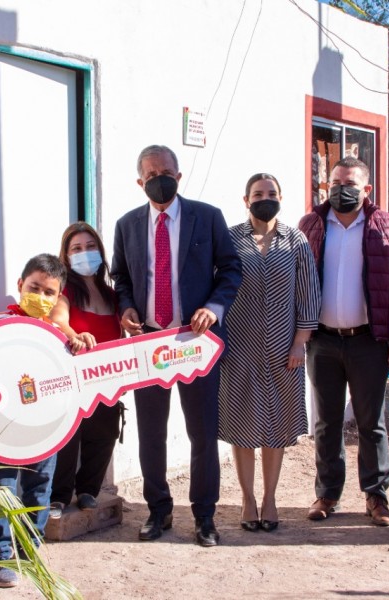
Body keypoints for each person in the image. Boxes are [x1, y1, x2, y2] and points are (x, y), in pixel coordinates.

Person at [111, 144, 242, 547]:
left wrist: (214, 308)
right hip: (149, 340)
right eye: (151, 174)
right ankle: (158, 510)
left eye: (166, 172)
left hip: (195, 340)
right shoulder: (127, 225)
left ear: (179, 175)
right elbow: (121, 279)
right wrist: (128, 308)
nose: (160, 179)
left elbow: (231, 268)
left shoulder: (207, 216)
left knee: (202, 432)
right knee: (151, 432)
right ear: (140, 182)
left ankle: (204, 516)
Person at [298, 156, 389, 527]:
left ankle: (376, 496)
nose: (339, 190)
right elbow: (297, 283)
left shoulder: (386, 226)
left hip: (368, 341)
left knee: (371, 422)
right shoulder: (311, 225)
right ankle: (327, 493)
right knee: (326, 422)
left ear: (366, 189)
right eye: (334, 182)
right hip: (323, 342)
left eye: (348, 184)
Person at [218, 173, 321, 533]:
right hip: (239, 347)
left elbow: (309, 294)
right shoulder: (229, 239)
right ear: (245, 200)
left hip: (283, 350)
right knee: (243, 424)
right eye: (258, 194)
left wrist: (299, 342)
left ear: (281, 197)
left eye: (271, 193)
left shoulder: (296, 241)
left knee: (276, 425)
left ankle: (270, 498)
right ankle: (247, 499)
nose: (265, 198)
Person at [0, 253, 68, 588]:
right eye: (34, 288)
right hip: (0, 428)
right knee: (0, 487)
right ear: (20, 286)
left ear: (58, 297)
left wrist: (76, 342)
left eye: (49, 292)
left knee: (39, 486)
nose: (41, 297)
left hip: (44, 428)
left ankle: (27, 550)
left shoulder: (57, 335)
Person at [49, 222, 124, 516]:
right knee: (69, 438)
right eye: (77, 249)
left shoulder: (112, 295)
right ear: (66, 257)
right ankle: (59, 495)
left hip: (107, 380)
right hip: (73, 380)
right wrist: (74, 335)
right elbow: (58, 320)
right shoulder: (66, 291)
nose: (85, 253)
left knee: (105, 433)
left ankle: (89, 491)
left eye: (90, 247)